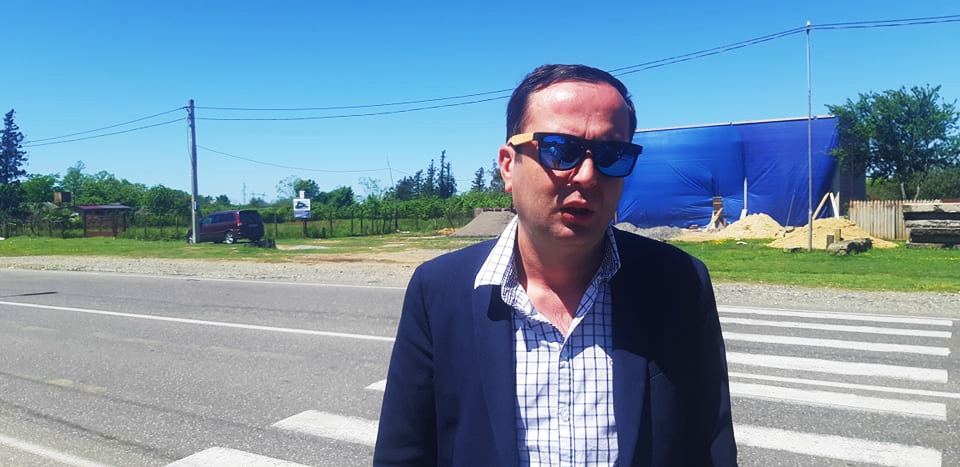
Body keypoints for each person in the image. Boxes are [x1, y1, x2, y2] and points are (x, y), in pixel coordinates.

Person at [374, 64, 736, 466]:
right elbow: (404, 453)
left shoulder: (677, 283)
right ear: (508, 166)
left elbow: (711, 445)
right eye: (560, 150)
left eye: (611, 155)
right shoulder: (440, 291)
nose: (588, 175)